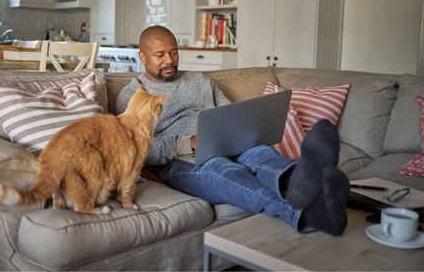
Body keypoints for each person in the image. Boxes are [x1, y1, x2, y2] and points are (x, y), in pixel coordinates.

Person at [116, 25, 350, 236]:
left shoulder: (199, 80)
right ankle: (307, 213)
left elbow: (231, 112)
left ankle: (302, 179)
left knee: (260, 153)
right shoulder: (133, 95)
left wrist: (244, 131)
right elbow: (136, 149)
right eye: (160, 55)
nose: (170, 59)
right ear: (142, 57)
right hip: (180, 162)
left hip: (226, 142)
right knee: (223, 170)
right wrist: (189, 142)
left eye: (174, 52)